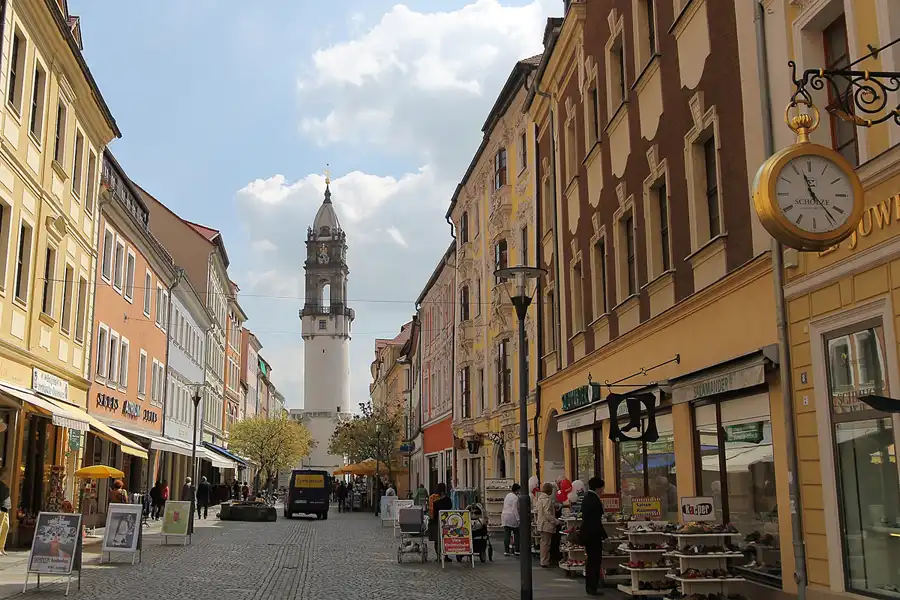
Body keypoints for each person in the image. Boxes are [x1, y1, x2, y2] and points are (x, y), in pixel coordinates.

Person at [581, 477, 609, 596]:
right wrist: (604, 535)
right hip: (593, 535)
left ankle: (590, 586)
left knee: (591, 561)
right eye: (602, 488)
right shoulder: (594, 500)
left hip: (588, 533)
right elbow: (596, 520)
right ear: (598, 488)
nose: (602, 490)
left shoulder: (587, 498)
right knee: (595, 561)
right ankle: (592, 587)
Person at [536, 482, 560, 568]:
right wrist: (556, 521)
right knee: (546, 544)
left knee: (543, 543)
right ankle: (545, 561)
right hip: (547, 524)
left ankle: (543, 560)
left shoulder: (539, 499)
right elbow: (548, 513)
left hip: (541, 523)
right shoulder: (547, 500)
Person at [429, 482, 452, 563]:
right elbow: (450, 509)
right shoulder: (448, 500)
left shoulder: (435, 501)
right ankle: (446, 556)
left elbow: (433, 513)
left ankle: (438, 556)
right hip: (446, 522)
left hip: (436, 522)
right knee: (446, 538)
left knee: (437, 539)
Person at [501, 483, 521, 556]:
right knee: (516, 533)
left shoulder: (507, 495)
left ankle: (506, 550)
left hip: (504, 515)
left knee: (507, 533)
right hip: (512, 517)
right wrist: (518, 519)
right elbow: (515, 509)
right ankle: (517, 550)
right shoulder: (515, 498)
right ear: (517, 490)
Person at [0, 468, 11, 556]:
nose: (6, 476)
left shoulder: (4, 485)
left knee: (6, 527)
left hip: (5, 509)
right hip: (1, 508)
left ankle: (1, 547)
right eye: (5, 474)